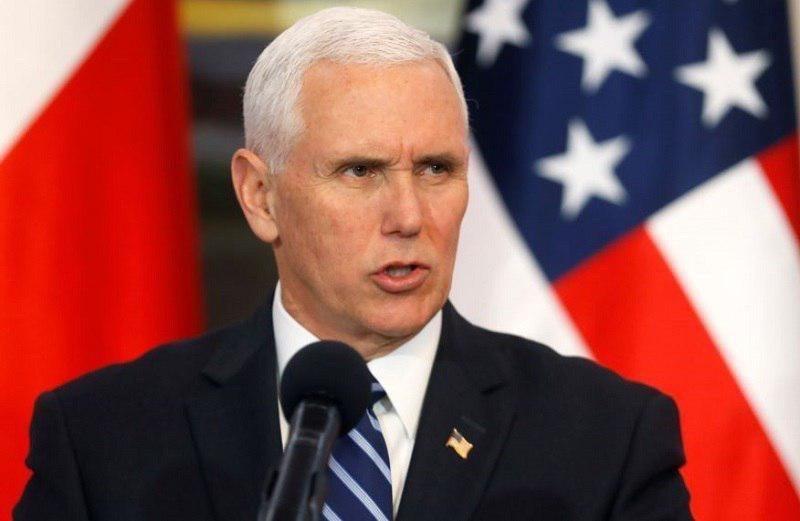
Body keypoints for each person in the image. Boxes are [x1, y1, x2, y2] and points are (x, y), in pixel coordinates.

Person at [14, 7, 691, 520]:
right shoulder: (104, 440)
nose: (408, 215)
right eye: (360, 171)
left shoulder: (606, 440)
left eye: (436, 168)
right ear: (260, 195)